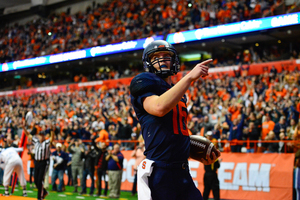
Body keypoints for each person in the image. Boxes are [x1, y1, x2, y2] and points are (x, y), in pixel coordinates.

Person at [129, 40, 220, 200]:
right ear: (148, 63)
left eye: (166, 55)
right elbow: (159, 107)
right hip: (160, 171)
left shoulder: (178, 93)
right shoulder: (143, 81)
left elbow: (173, 131)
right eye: (156, 56)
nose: (162, 58)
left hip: (182, 170)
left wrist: (191, 149)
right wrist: (189, 77)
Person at [23, 123, 54, 200]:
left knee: (40, 180)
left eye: (42, 135)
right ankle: (44, 192)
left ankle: (40, 197)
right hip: (37, 162)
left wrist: (52, 130)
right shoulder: (36, 141)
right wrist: (24, 128)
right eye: (40, 135)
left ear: (44, 136)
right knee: (36, 180)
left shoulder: (46, 143)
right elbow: (28, 135)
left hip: (44, 162)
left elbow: (51, 139)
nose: (41, 137)